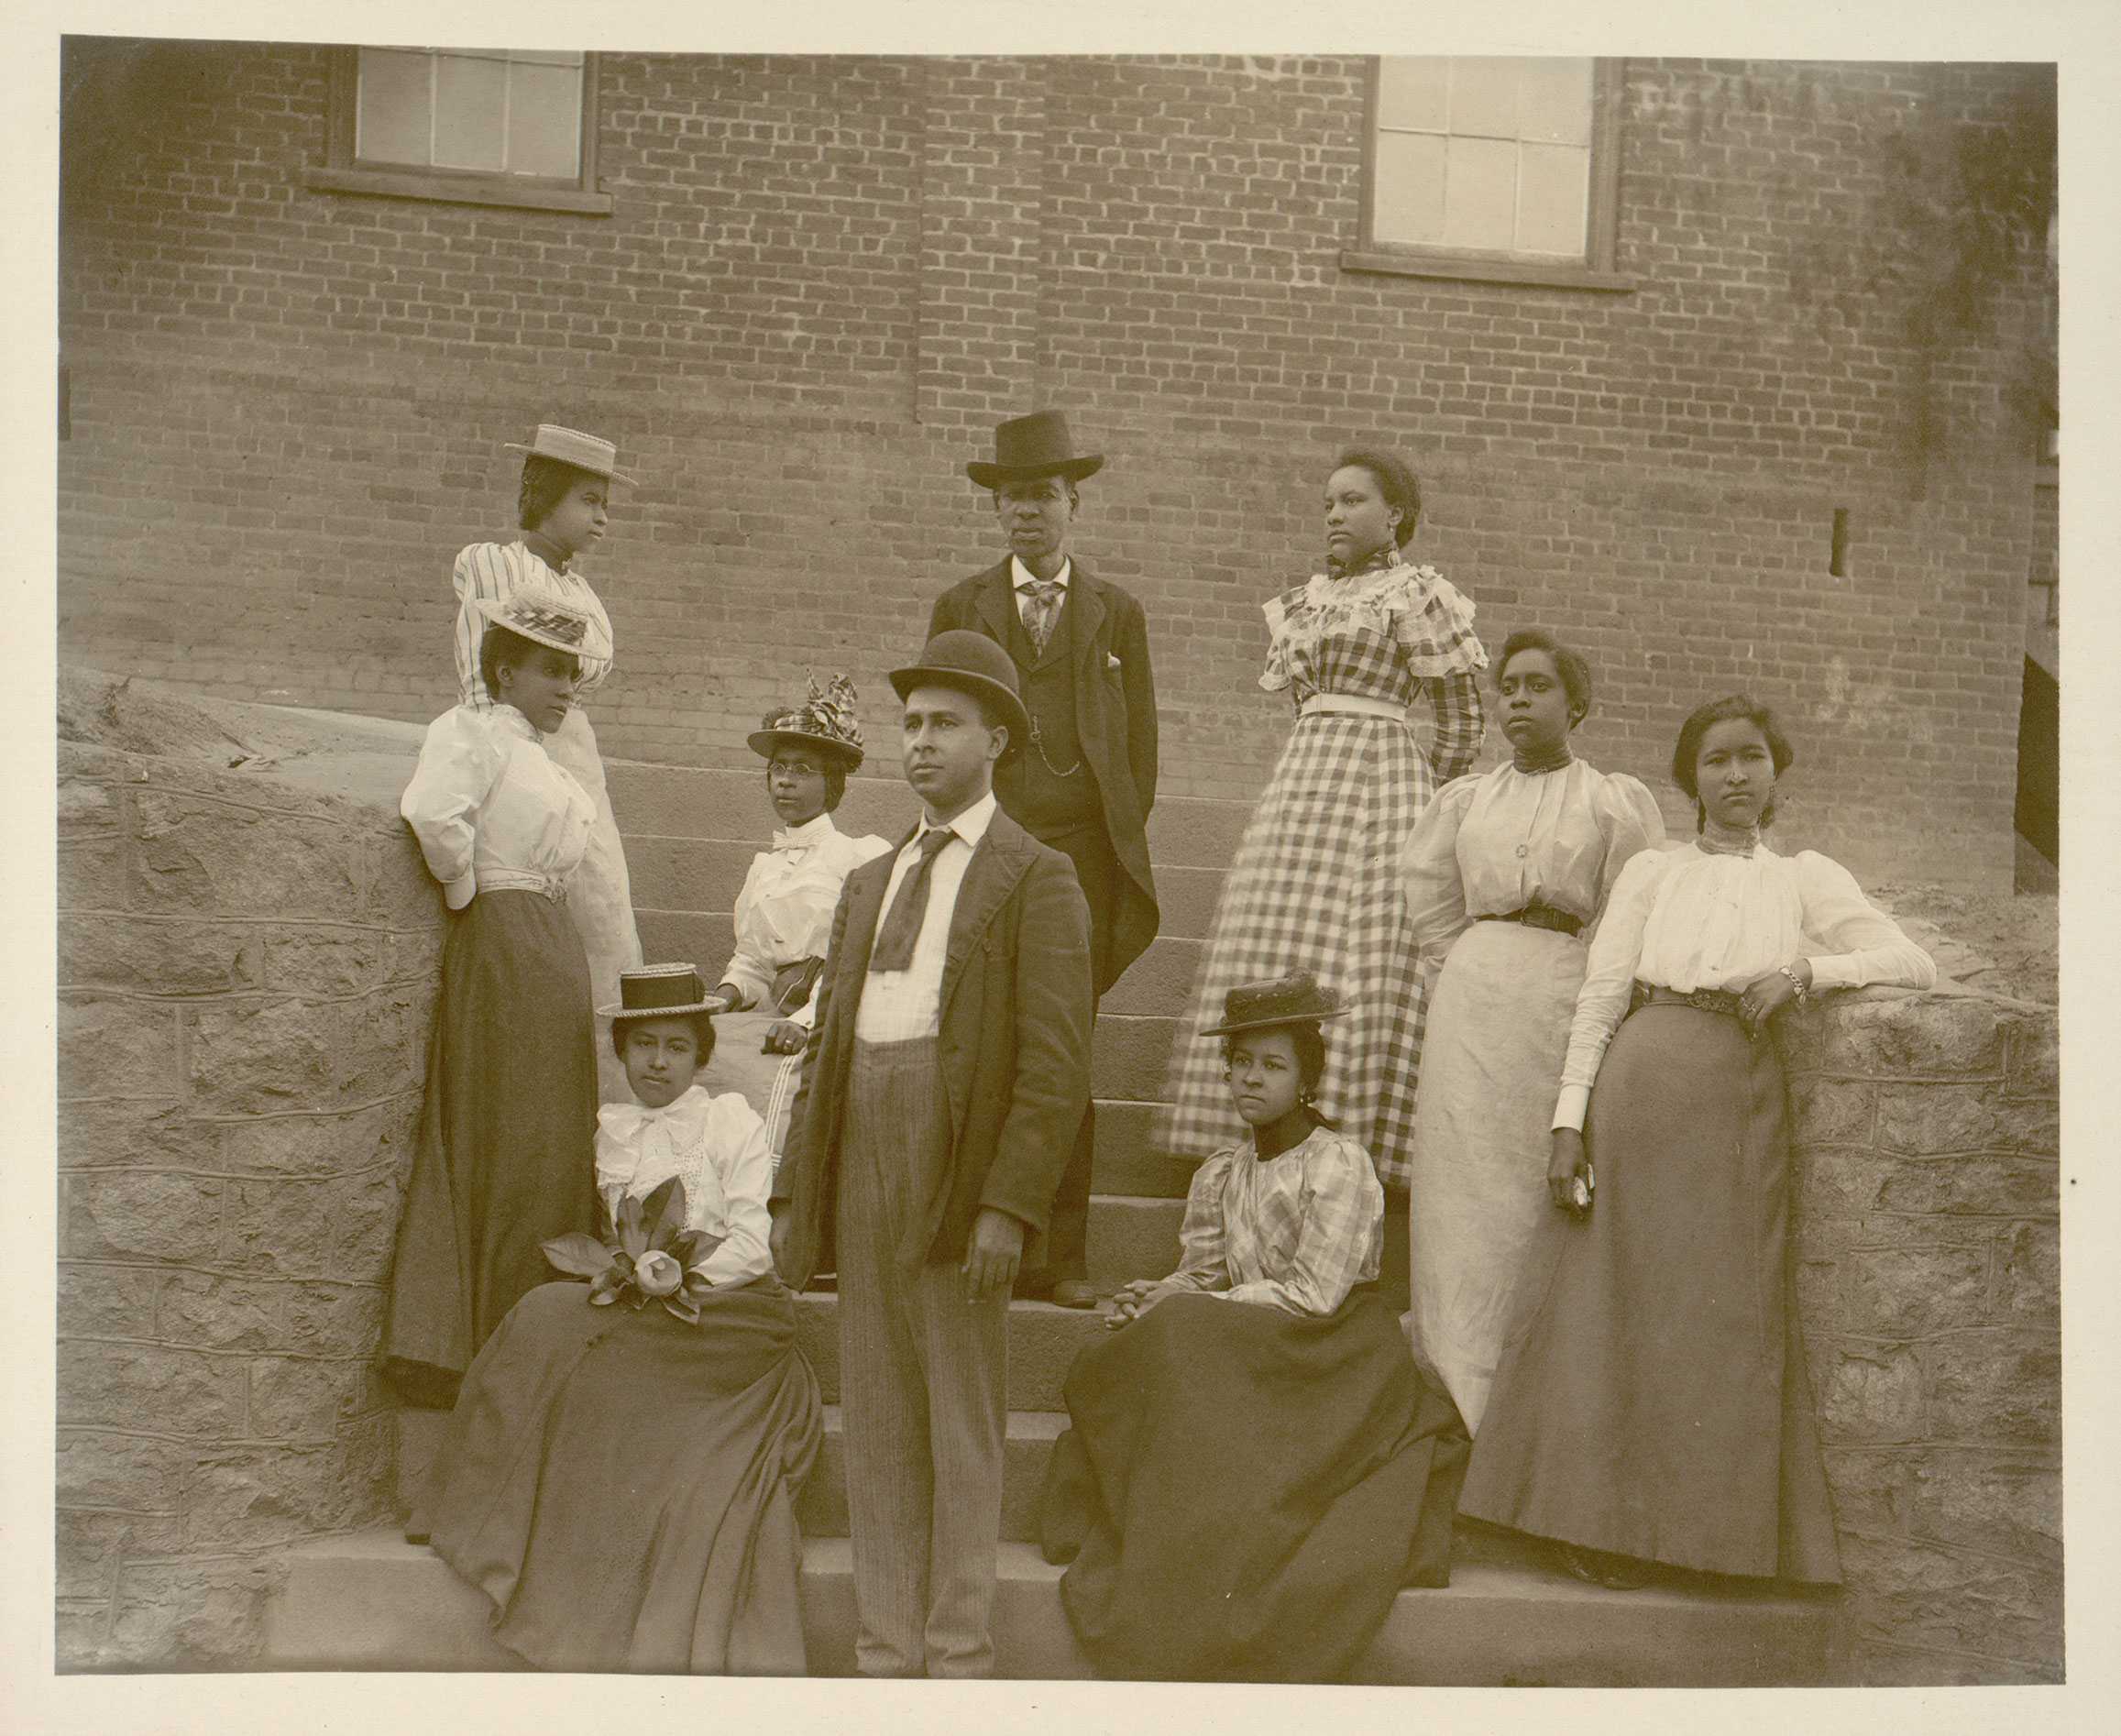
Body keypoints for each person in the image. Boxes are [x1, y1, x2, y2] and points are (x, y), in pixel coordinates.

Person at [1460, 695, 1936, 1588]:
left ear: (1775, 768)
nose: (1735, 776)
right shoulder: (1655, 873)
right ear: (1692, 779)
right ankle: (1586, 1527)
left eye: (1751, 756)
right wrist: (1569, 1119)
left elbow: (1911, 959)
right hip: (1639, 1092)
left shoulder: (1803, 879)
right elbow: (1602, 993)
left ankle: (1698, 1542)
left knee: (1715, 1314)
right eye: (1715, 760)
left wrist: (1807, 970)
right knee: (1608, 1304)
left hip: (1735, 1107)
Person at [770, 630, 1093, 1678]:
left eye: (944, 723)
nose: (919, 742)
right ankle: (883, 1646)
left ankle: (957, 1650)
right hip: (865, 1124)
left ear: (996, 738)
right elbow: (824, 1044)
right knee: (874, 1409)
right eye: (908, 723)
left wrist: (1008, 1203)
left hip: (958, 1158)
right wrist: (793, 1191)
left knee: (958, 1409)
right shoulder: (870, 877)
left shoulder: (1034, 876)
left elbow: (1054, 1064)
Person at [1039, 972, 1468, 1682]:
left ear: (1306, 1079)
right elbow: (1205, 1275)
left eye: (1272, 1065)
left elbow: (1314, 1295)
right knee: (1141, 1344)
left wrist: (1190, 1313)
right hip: (1256, 1341)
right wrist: (1156, 1296)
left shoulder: (1338, 1165)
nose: (1250, 1079)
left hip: (1335, 1351)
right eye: (1240, 1062)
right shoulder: (1221, 1173)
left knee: (1183, 1337)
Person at [415, 963, 822, 1673]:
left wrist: (672, 1277)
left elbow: (755, 1249)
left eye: (674, 1046)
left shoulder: (730, 1123)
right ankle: (476, 1515)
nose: (657, 1062)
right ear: (622, 1052)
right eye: (642, 1046)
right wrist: (633, 1276)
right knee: (542, 1312)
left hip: (731, 1314)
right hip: (645, 1300)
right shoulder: (611, 1131)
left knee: (581, 1341)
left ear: (701, 1055)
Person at [1167, 447, 1487, 1209]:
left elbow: (1462, 719)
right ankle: (1254, 1133)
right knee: (1277, 932)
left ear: (1395, 514)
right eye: (1328, 505)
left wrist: (1417, 795)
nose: (1335, 516)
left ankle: (1359, 1138)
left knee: (1369, 951)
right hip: (1304, 783)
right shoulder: (1306, 601)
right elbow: (1301, 703)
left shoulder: (1419, 594)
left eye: (1351, 502)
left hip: (1380, 783)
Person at [1398, 630, 1665, 1434]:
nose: (1517, 699)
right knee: (1460, 1188)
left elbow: (1632, 903)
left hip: (1559, 989)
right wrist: (1470, 961)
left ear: (1576, 705)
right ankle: (1454, 1397)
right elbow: (1430, 894)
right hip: (1473, 998)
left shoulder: (1610, 800)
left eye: (1539, 686)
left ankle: (1524, 1415)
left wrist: (1579, 975)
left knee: (1526, 1186)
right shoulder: (1467, 799)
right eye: (1507, 686)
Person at [929, 410, 1159, 1309]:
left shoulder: (1117, 614)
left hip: (1080, 866)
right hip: (989, 850)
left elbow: (1141, 749)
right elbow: (940, 726)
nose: (1028, 513)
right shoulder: (961, 606)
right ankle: (969, 1229)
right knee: (977, 1038)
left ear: (1073, 503)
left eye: (1044, 497)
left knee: (1063, 1047)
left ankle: (1060, 1256)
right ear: (999, 512)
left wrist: (1110, 838)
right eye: (1013, 499)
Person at [382, 592, 605, 1406]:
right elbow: (434, 814)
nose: (565, 687)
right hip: (502, 945)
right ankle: (474, 1356)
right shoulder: (469, 731)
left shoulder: (550, 763)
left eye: (572, 674)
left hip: (552, 956)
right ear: (503, 670)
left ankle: (535, 1360)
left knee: (552, 1150)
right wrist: (473, 891)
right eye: (550, 670)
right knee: (504, 1146)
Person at [450, 423, 644, 1100]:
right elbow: (481, 677)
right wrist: (502, 763)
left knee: (601, 904)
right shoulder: (492, 565)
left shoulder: (586, 598)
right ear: (547, 495)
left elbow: (579, 685)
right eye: (589, 501)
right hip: (513, 746)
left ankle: (607, 1088)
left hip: (577, 755)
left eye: (606, 505)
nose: (601, 519)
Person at [698, 675, 889, 1169]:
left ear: (833, 784)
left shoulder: (860, 856)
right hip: (772, 1017)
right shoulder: (764, 868)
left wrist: (806, 1021)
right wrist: (726, 996)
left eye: (803, 770)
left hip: (831, 1017)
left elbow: (860, 956)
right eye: (778, 768)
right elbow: (753, 962)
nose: (785, 780)